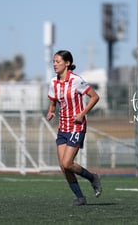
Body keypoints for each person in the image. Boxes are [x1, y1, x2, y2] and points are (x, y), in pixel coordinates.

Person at [46, 50, 102, 206]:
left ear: (67, 63)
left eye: (58, 61)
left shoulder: (76, 80)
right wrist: (51, 111)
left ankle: (93, 178)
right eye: (54, 62)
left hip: (76, 127)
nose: (55, 64)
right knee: (64, 168)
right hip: (62, 128)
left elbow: (95, 97)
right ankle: (80, 198)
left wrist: (82, 114)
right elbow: (53, 102)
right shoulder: (53, 82)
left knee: (67, 163)